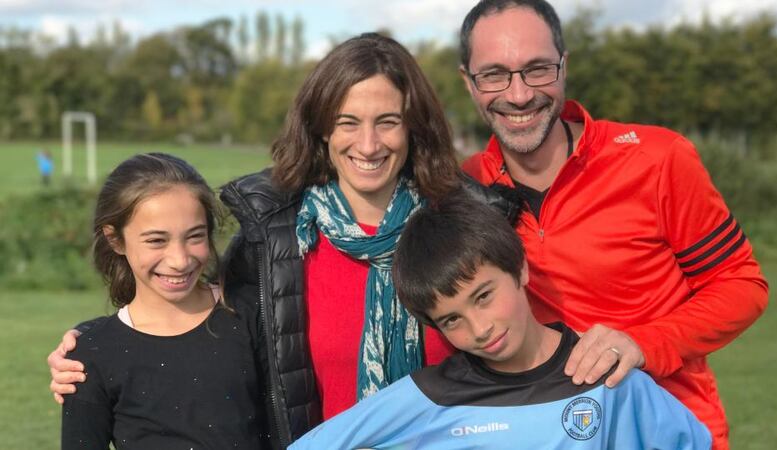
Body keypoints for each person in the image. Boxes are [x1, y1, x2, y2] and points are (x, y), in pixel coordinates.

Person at [48, 33, 509, 449]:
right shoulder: (270, 238)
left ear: (414, 127)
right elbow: (189, 328)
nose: (368, 145)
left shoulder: (465, 227)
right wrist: (90, 347)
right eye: (348, 122)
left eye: (387, 121)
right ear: (321, 127)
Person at [457, 1, 768, 449]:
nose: (520, 94)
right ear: (469, 82)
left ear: (564, 68)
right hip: (548, 437)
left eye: (537, 69)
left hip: (669, 433)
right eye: (494, 74)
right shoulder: (466, 186)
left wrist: (643, 344)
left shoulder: (658, 158)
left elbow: (741, 284)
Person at [289, 194, 712, 449]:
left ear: (520, 270)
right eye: (452, 319)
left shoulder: (604, 375)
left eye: (484, 296)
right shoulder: (432, 396)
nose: (480, 328)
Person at [60, 153, 269, 449]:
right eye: (157, 240)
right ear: (115, 239)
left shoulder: (251, 315)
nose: (179, 260)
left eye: (195, 236)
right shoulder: (90, 353)